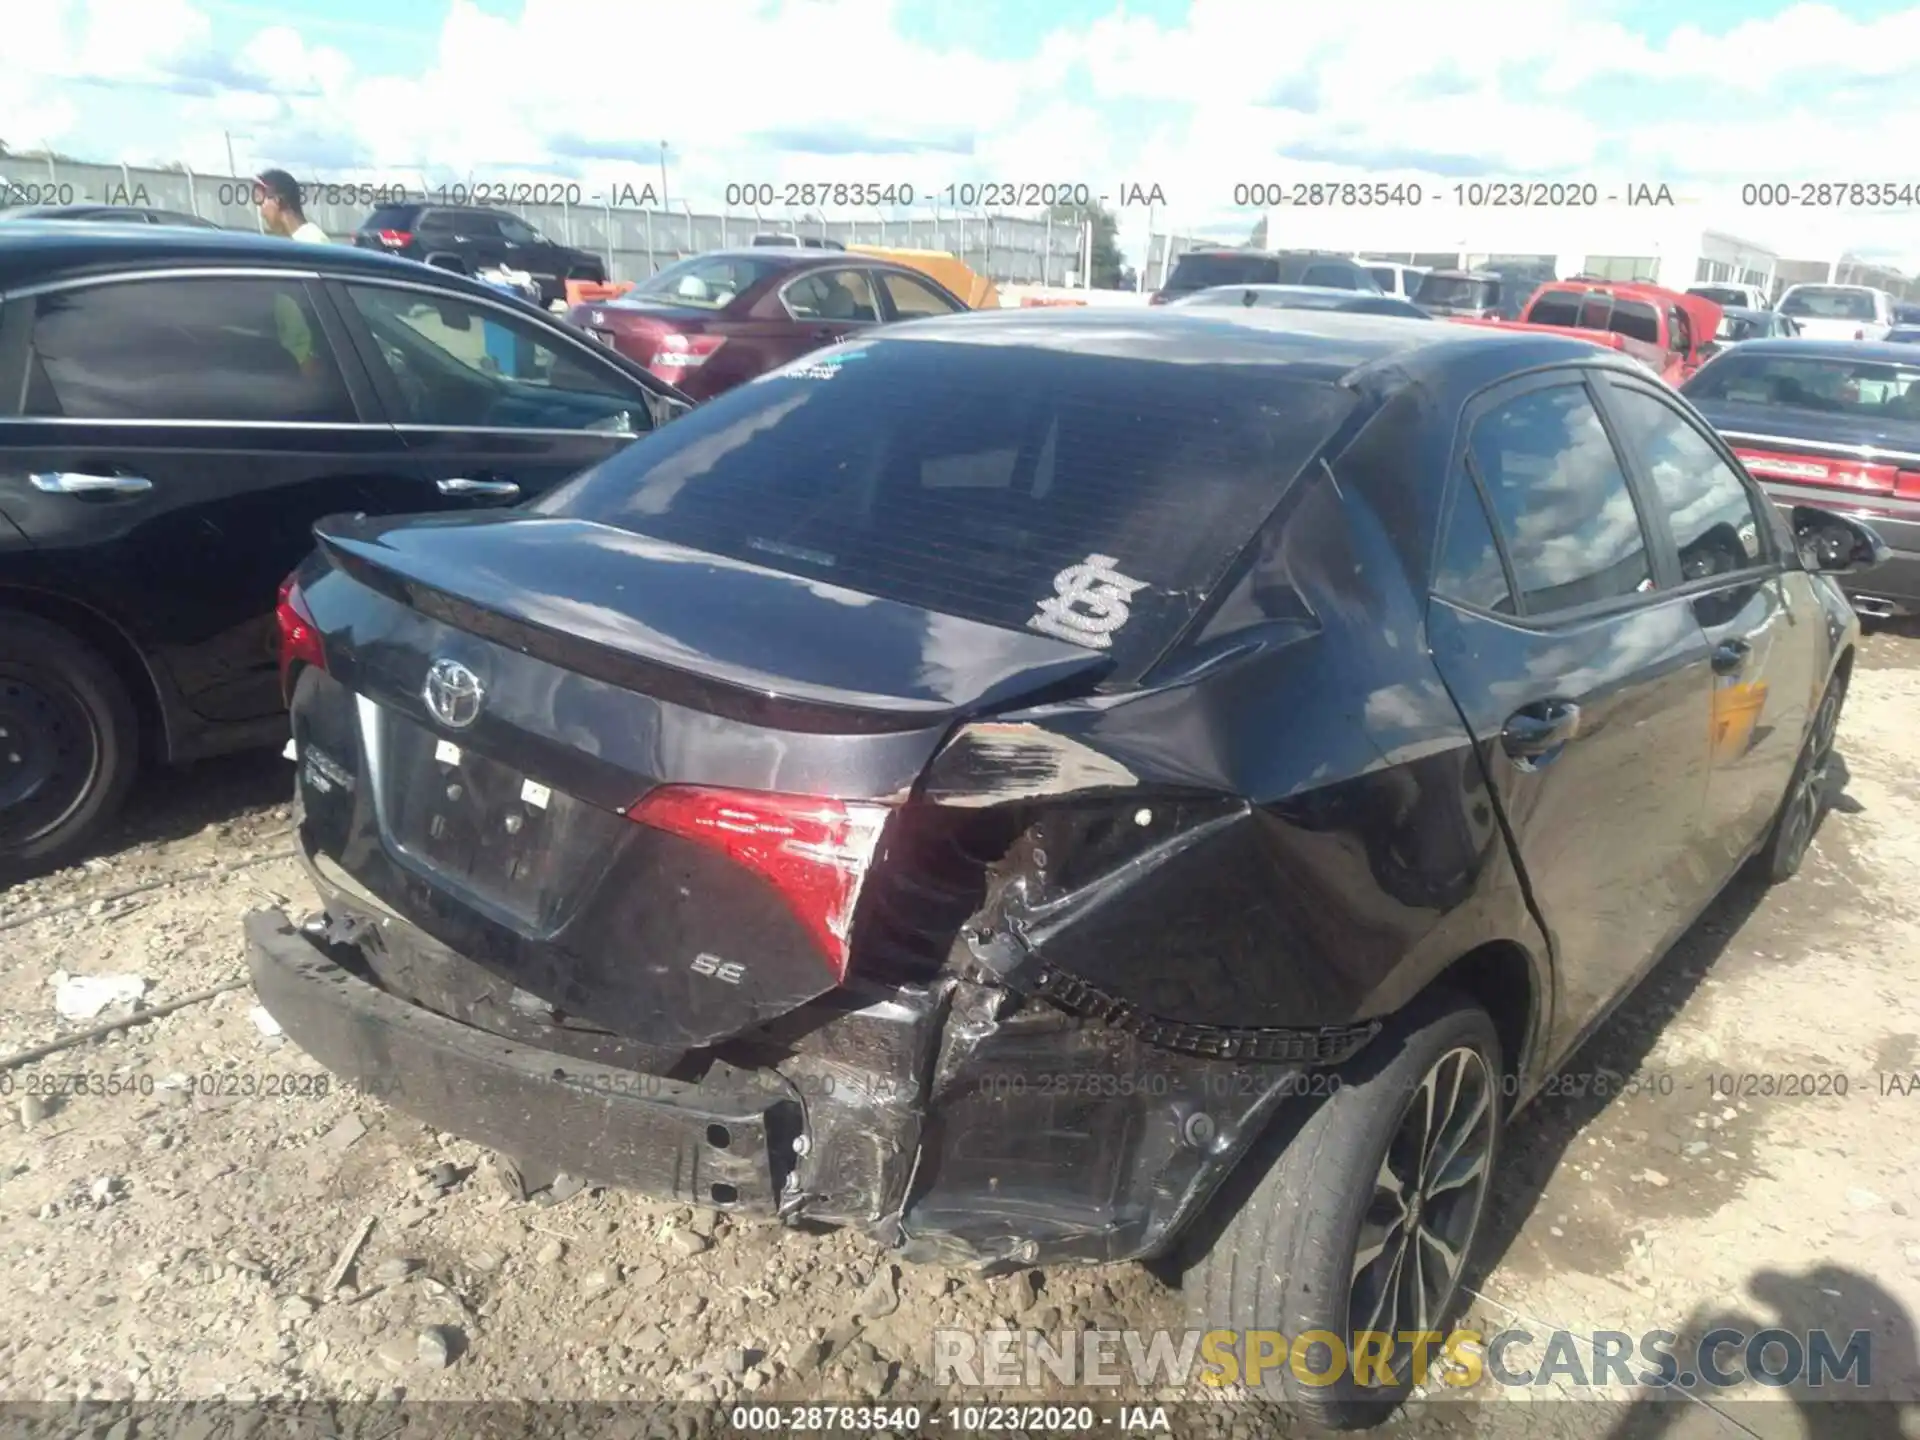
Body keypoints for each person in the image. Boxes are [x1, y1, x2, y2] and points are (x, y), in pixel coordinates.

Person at [255, 169, 329, 244]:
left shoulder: (311, 241)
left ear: (277, 201)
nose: (262, 213)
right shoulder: (299, 239)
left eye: (262, 203)